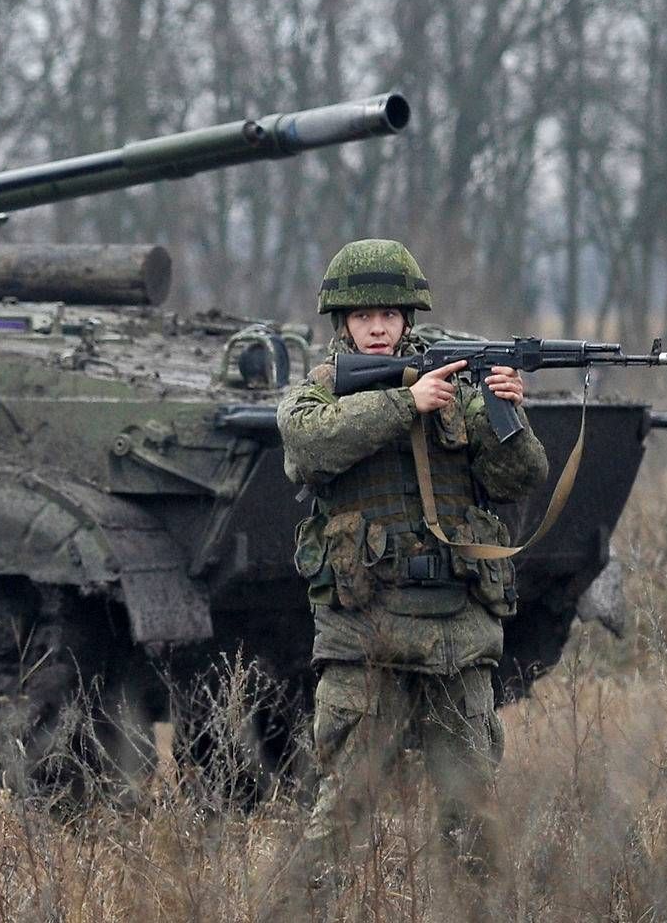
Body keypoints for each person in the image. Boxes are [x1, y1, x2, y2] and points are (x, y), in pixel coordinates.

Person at [275, 238, 549, 893]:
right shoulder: (317, 393)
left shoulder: (462, 393)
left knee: (473, 819)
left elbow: (522, 479)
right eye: (364, 315)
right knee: (340, 817)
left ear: (408, 320)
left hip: (457, 637)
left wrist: (505, 406)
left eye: (390, 314)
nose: (378, 326)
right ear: (342, 322)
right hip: (367, 636)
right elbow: (309, 446)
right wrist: (407, 403)